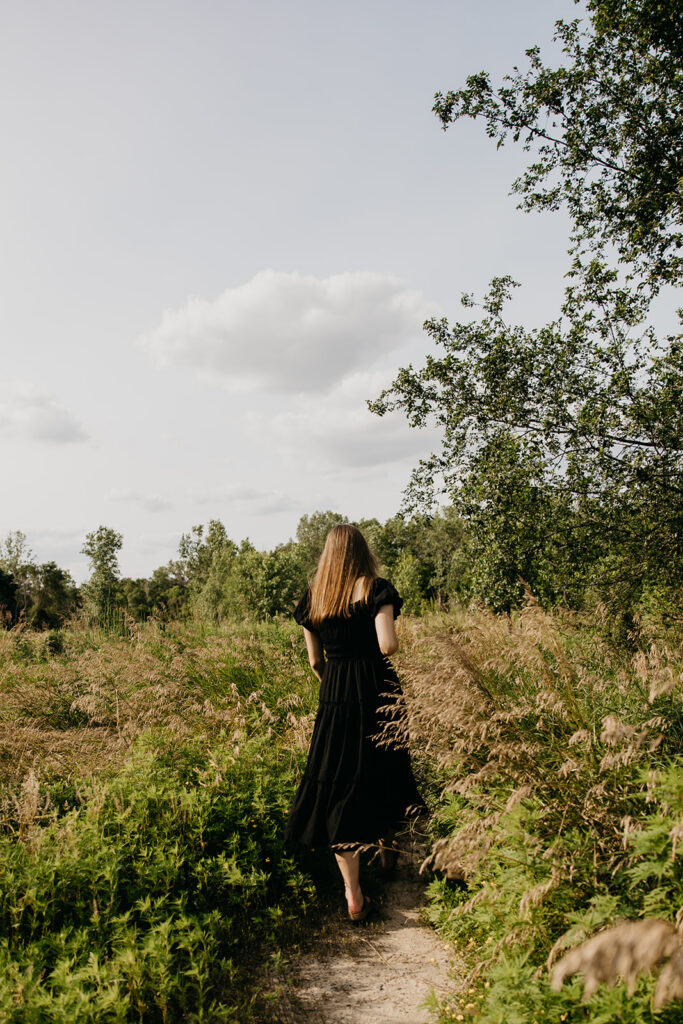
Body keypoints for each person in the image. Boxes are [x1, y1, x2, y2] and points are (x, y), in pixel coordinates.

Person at [285, 524, 425, 922]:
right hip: (376, 687)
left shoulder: (315, 596)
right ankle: (386, 852)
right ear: (362, 552)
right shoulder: (375, 589)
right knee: (384, 763)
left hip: (335, 692)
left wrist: (333, 683)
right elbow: (388, 646)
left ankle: (353, 893)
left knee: (339, 777)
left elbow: (314, 661)